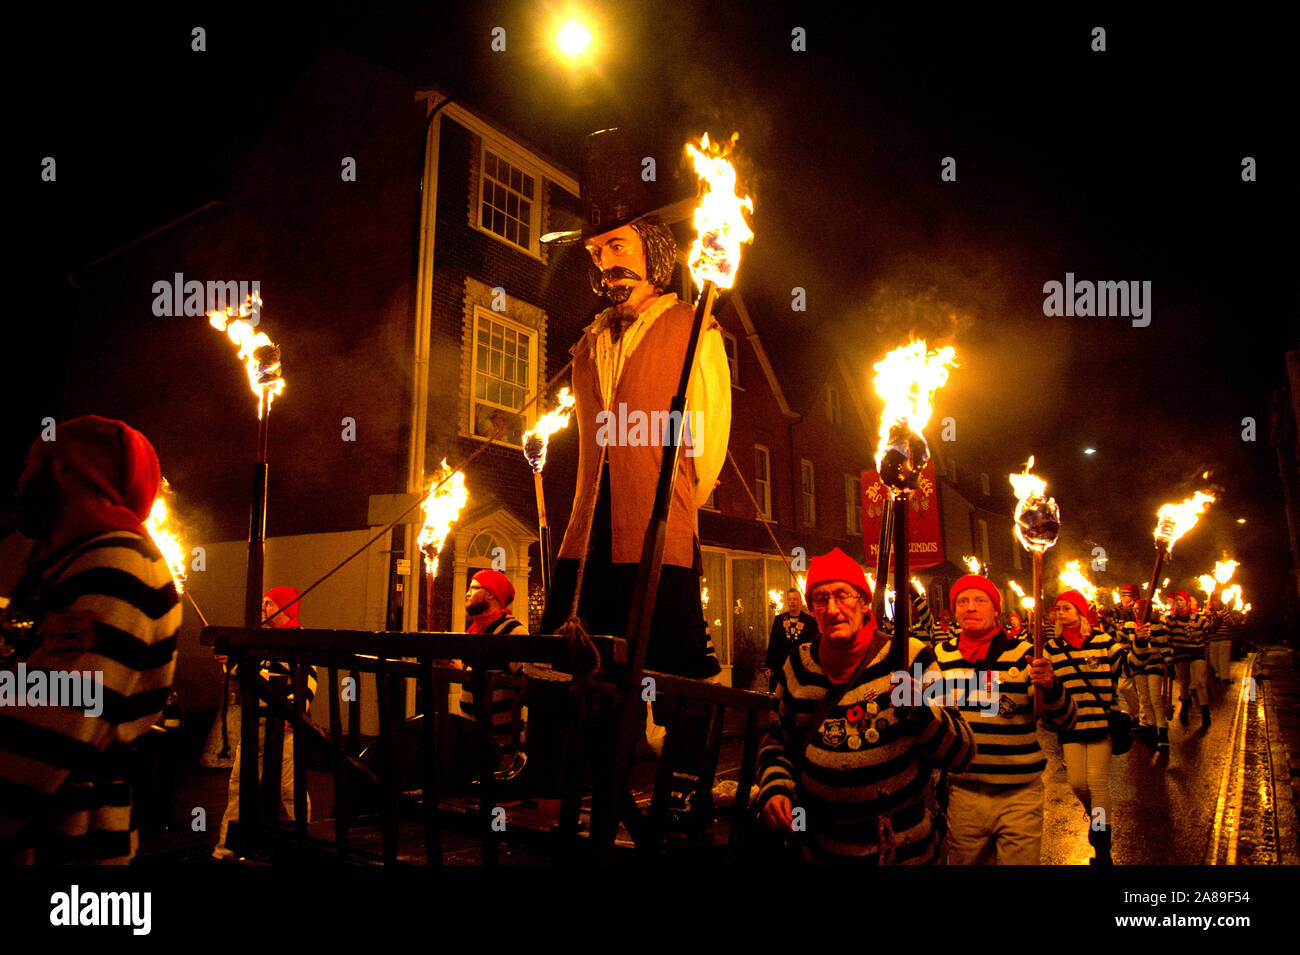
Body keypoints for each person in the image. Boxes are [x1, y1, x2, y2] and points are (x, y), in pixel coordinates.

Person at [539, 128, 729, 682]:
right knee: (572, 661)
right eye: (597, 253)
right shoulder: (588, 340)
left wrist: (672, 495)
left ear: (654, 249)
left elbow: (709, 442)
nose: (605, 263)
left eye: (618, 247)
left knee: (665, 664)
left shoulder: (694, 330)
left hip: (657, 527)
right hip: (586, 529)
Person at [0, 416, 181, 863]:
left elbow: (46, 733)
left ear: (65, 468)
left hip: (64, 849)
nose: (20, 479)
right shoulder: (63, 564)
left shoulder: (115, 565)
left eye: (31, 463)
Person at [755, 547, 975, 864]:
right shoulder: (798, 665)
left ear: (864, 601)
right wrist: (775, 789)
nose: (832, 609)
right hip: (820, 851)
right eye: (821, 598)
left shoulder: (910, 656)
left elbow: (962, 752)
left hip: (903, 850)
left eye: (842, 595)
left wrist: (921, 712)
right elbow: (777, 743)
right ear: (811, 609)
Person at [932, 575, 1075, 864]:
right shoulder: (939, 657)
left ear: (996, 610)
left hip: (1019, 794)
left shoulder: (1024, 655)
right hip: (965, 794)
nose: (970, 607)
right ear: (955, 610)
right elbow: (932, 720)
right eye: (963, 601)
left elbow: (1065, 720)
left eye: (980, 601)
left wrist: (1051, 686)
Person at [213, 586, 316, 861]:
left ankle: (306, 845)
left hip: (283, 732)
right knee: (239, 786)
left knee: (288, 789)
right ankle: (227, 848)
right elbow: (246, 674)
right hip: (253, 727)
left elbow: (307, 684)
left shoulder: (300, 641)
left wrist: (290, 713)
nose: (263, 608)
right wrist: (229, 662)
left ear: (284, 608)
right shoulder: (261, 640)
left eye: (269, 603)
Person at [1044, 589, 1125, 864]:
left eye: (1067, 608)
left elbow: (1129, 667)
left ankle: (1102, 846)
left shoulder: (1102, 641)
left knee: (1097, 782)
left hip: (1101, 722)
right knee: (1078, 782)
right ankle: (1097, 815)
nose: (1061, 612)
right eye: (1058, 609)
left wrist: (1142, 642)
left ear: (1080, 611)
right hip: (1071, 723)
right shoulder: (1051, 648)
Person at [456, 569, 527, 778]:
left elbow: (521, 677)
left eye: (474, 588)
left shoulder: (514, 631)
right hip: (471, 729)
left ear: (491, 594)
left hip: (501, 736)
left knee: (499, 786)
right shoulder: (476, 630)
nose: (467, 593)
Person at [1165, 590, 1211, 730]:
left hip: (1197, 652)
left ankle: (1205, 714)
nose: (1179, 603)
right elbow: (1167, 638)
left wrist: (1211, 617)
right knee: (1184, 683)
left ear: (1187, 602)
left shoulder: (1199, 618)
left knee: (1199, 683)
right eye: (1177, 600)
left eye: (1181, 600)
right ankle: (1185, 708)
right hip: (1180, 654)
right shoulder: (1171, 619)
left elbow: (1208, 633)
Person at [764, 588, 817, 692]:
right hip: (780, 667)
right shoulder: (779, 620)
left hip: (802, 668)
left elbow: (814, 645)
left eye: (795, 599)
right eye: (790, 599)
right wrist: (768, 666)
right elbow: (773, 644)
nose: (792, 602)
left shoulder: (809, 621)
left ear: (800, 601)